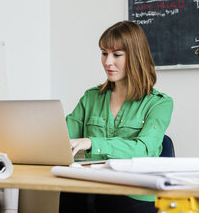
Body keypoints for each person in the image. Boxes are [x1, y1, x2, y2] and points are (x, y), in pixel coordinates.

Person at [59, 21, 173, 213]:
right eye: (104, 53)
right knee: (70, 192)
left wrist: (91, 142)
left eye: (117, 54)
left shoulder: (160, 103)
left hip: (135, 193)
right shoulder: (91, 97)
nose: (107, 62)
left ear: (136, 57)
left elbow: (144, 149)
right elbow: (60, 137)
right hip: (91, 187)